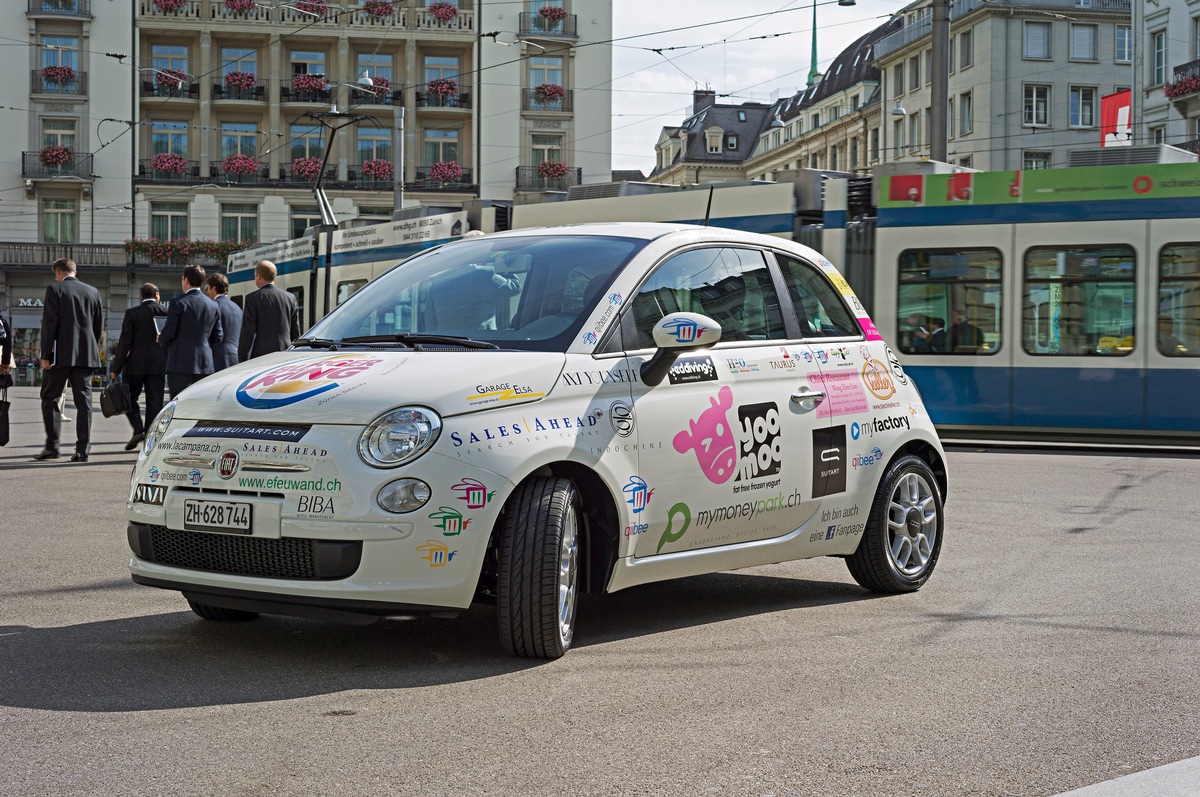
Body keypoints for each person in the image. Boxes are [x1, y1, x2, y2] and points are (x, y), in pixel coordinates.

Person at [36, 257, 103, 462]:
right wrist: (91, 348)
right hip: (85, 355)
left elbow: (50, 324)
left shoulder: (55, 290)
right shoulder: (93, 291)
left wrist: (46, 355)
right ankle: (83, 449)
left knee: (50, 398)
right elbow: (98, 327)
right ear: (74, 271)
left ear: (58, 272)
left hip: (61, 356)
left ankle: (53, 446)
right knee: (84, 403)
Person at [110, 283, 168, 450]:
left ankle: (138, 428)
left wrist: (116, 368)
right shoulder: (166, 312)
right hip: (158, 365)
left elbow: (125, 342)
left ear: (141, 296)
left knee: (128, 399)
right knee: (154, 402)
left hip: (135, 364)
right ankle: (150, 439)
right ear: (157, 295)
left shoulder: (132, 313)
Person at [160, 264, 223, 398]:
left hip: (180, 364)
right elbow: (218, 336)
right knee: (201, 406)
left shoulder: (178, 302)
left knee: (179, 406)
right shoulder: (214, 305)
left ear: (186, 280)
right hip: (205, 364)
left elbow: (169, 332)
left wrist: (161, 340)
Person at [239, 260, 300, 362]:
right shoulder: (290, 297)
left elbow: (247, 333)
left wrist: (242, 359)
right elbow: (296, 331)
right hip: (285, 352)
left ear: (258, 276)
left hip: (261, 355)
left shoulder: (252, 298)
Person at [204, 272, 242, 371]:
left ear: (213, 288)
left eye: (208, 288)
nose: (207, 291)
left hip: (216, 359)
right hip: (236, 358)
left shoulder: (213, 306)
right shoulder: (237, 308)